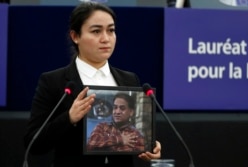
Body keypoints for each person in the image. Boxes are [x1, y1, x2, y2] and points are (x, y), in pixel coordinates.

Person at [24, 1, 161, 167]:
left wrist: (147, 146)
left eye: (111, 30)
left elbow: (133, 136)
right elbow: (34, 143)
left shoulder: (129, 79)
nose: (105, 38)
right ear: (75, 36)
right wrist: (68, 118)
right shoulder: (55, 81)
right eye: (96, 31)